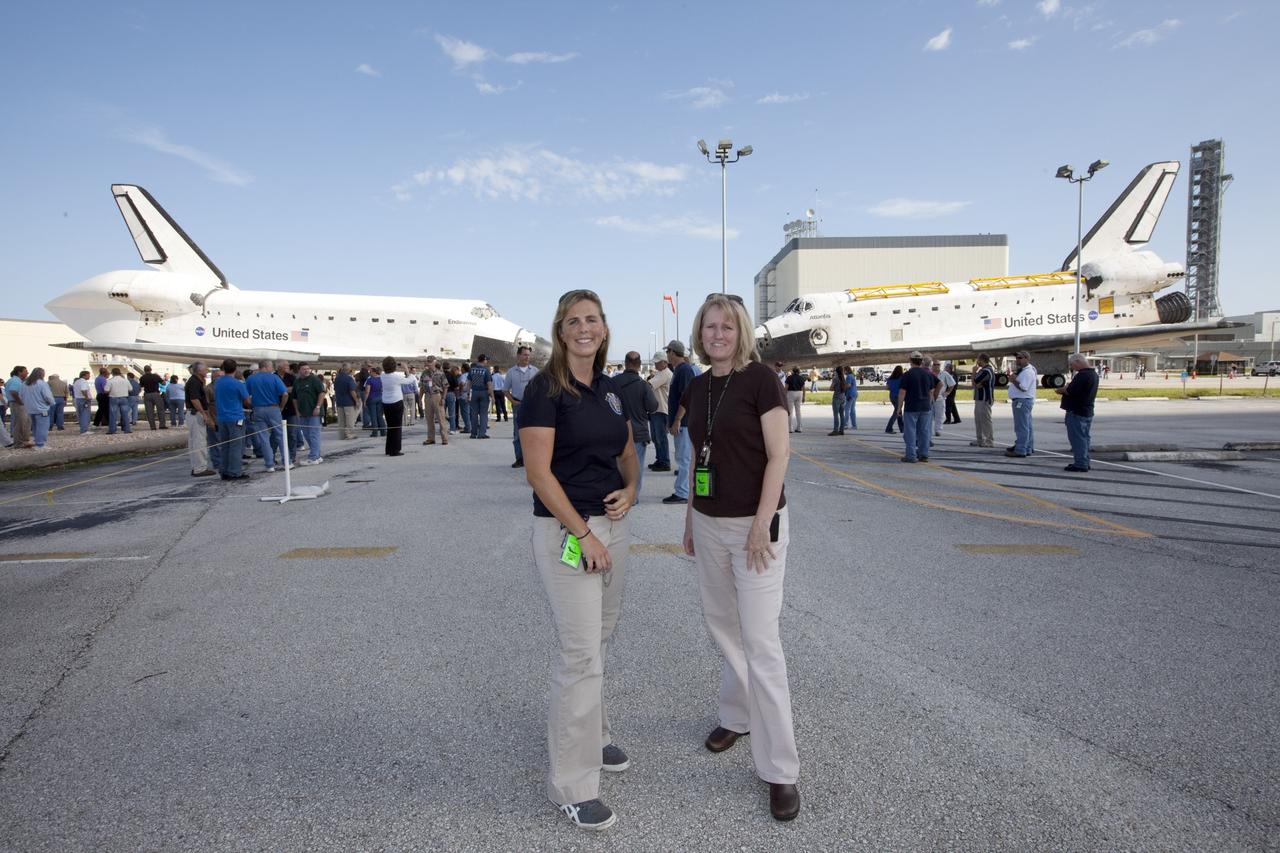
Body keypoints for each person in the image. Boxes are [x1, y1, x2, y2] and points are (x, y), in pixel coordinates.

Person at [678, 293, 800, 822]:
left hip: (756, 526)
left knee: (761, 642)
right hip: (708, 523)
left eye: (727, 327)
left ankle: (780, 770)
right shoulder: (699, 384)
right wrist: (689, 518)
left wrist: (759, 524)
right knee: (724, 626)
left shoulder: (761, 380)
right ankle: (737, 715)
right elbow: (698, 455)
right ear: (699, 333)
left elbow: (780, 454)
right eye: (710, 327)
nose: (718, 335)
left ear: (741, 331)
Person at [519, 289, 638, 832]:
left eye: (592, 319)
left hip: (613, 529)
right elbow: (539, 474)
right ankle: (571, 783)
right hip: (570, 533)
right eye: (573, 321)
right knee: (580, 654)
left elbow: (627, 451)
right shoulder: (546, 391)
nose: (584, 328)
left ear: (604, 328)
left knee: (601, 638)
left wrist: (632, 490)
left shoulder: (611, 391)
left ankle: (597, 733)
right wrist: (585, 532)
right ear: (561, 332)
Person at [614, 351, 658, 500]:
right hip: (638, 432)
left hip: (618, 431)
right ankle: (633, 497)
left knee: (619, 465)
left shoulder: (613, 383)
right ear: (639, 366)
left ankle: (619, 493)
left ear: (625, 363)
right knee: (636, 466)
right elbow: (653, 406)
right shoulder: (643, 385)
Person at [663, 340, 696, 505]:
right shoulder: (679, 370)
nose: (666, 354)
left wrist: (677, 420)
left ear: (673, 352)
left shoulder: (684, 371)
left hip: (684, 423)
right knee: (683, 457)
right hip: (681, 422)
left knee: (684, 459)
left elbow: (686, 398)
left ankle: (682, 492)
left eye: (667, 351)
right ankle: (683, 489)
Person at [1056, 353, 1098, 472]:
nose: (1071, 367)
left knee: (1077, 439)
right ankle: (1084, 460)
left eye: (1072, 364)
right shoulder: (1092, 374)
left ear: (1078, 362)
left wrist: (1062, 390)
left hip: (1077, 412)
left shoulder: (1083, 375)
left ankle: (1080, 463)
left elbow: (1072, 391)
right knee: (1084, 438)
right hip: (1086, 411)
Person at [246, 359, 289, 473]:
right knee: (280, 435)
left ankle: (269, 464)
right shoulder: (274, 377)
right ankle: (287, 462)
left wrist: (252, 406)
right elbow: (285, 394)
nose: (272, 369)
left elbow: (246, 396)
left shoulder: (251, 379)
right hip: (273, 408)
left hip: (258, 409)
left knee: (263, 438)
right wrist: (281, 407)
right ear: (266, 367)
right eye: (271, 366)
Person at [213, 359, 251, 480]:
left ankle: (224, 470)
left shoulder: (218, 382)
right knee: (236, 445)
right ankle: (235, 471)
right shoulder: (238, 384)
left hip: (221, 417)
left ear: (223, 368)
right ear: (235, 369)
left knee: (225, 445)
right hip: (235, 417)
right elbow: (247, 401)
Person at [897, 352, 937, 463]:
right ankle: (924, 454)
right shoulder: (928, 374)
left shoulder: (907, 375)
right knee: (924, 431)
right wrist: (928, 404)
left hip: (911, 407)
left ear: (910, 360)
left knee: (910, 432)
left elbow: (902, 392)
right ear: (921, 361)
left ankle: (911, 455)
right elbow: (931, 391)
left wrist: (899, 408)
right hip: (925, 407)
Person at [505, 347, 537, 465]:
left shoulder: (535, 371)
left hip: (532, 405)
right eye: (524, 355)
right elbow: (505, 390)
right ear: (518, 356)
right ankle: (520, 458)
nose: (527, 357)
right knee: (518, 433)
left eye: (528, 355)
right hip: (518, 405)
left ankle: (532, 459)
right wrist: (513, 401)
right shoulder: (511, 372)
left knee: (533, 432)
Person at [185, 362, 216, 476]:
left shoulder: (196, 381)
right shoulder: (194, 382)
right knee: (199, 442)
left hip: (194, 413)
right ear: (199, 371)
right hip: (195, 413)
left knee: (195, 442)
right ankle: (200, 468)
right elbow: (195, 399)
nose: (207, 371)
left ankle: (196, 466)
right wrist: (204, 413)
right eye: (205, 369)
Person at [293, 362, 327, 465]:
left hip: (314, 412)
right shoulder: (297, 382)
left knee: (313, 434)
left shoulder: (314, 380)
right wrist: (297, 411)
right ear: (299, 370)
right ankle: (317, 455)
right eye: (304, 369)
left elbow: (321, 393)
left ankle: (313, 457)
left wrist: (317, 407)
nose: (306, 370)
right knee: (307, 435)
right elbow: (294, 398)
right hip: (303, 413)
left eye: (308, 368)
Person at [1005, 351, 1037, 458]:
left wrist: (1013, 380)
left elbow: (1023, 387)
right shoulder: (1025, 370)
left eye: (1020, 358)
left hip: (1022, 401)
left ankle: (1021, 449)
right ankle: (1027, 447)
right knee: (1027, 426)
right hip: (1023, 400)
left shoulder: (1028, 372)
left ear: (1027, 358)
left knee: (1021, 427)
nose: (1017, 360)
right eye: (1017, 358)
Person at [20, 368, 56, 450]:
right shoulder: (42, 384)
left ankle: (37, 442)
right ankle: (40, 444)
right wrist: (52, 403)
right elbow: (47, 396)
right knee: (43, 427)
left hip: (30, 409)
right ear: (41, 374)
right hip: (42, 408)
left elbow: (21, 395)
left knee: (36, 426)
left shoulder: (25, 384)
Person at [647, 357, 672, 472]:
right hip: (656, 409)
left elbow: (649, 385)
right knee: (656, 437)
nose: (655, 364)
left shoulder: (665, 373)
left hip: (661, 410)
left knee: (660, 437)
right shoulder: (661, 373)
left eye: (657, 362)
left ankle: (665, 461)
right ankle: (660, 459)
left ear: (664, 362)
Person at [421, 356, 451, 447]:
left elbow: (446, 386)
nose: (429, 363)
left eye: (430, 362)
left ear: (435, 362)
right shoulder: (424, 373)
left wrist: (443, 398)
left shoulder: (440, 373)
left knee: (441, 418)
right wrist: (420, 398)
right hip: (428, 396)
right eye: (428, 361)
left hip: (437, 396)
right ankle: (431, 438)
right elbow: (422, 387)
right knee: (429, 419)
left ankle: (444, 438)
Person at [380, 356, 406, 456]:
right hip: (396, 402)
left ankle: (389, 448)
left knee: (390, 426)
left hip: (386, 402)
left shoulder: (382, 375)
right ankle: (395, 450)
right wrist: (406, 368)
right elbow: (410, 380)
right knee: (397, 427)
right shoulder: (396, 376)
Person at [969, 354, 995, 448]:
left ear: (982, 360)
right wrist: (976, 382)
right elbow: (976, 384)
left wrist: (973, 372)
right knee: (978, 420)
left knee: (985, 420)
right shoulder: (982, 370)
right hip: (979, 398)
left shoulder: (986, 371)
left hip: (985, 399)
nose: (977, 362)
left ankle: (989, 440)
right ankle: (980, 439)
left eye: (978, 360)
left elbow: (974, 382)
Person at [6, 366, 33, 448]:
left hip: (17, 403)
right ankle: (19, 443)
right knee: (20, 423)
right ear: (19, 372)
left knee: (25, 422)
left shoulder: (16, 380)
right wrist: (20, 402)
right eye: (25, 371)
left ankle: (24, 441)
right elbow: (13, 392)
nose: (27, 373)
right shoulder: (15, 381)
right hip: (17, 404)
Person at [333, 364, 361, 439]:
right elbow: (352, 391)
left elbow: (335, 389)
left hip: (339, 401)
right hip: (349, 402)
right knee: (350, 419)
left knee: (341, 420)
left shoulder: (337, 378)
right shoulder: (349, 379)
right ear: (349, 370)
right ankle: (350, 434)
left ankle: (342, 435)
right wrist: (356, 401)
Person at [469, 354, 493, 439]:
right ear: (484, 360)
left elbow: (469, 383)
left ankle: (473, 433)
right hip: (484, 392)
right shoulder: (486, 371)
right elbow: (489, 384)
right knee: (483, 414)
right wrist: (492, 396)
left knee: (474, 414)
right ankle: (482, 433)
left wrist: (468, 394)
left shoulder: (472, 370)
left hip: (474, 392)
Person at [105, 367, 132, 435]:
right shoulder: (125, 380)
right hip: (124, 398)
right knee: (125, 414)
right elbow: (130, 389)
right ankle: (127, 429)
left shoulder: (110, 381)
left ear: (112, 373)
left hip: (113, 398)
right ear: (119, 373)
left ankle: (112, 430)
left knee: (113, 414)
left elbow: (106, 390)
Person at [138, 365, 165, 430]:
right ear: (151, 369)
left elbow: (141, 386)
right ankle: (162, 425)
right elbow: (163, 383)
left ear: (144, 370)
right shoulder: (155, 376)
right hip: (156, 394)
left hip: (147, 394)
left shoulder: (142, 377)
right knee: (160, 410)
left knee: (149, 411)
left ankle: (152, 426)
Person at [364, 367, 385, 438]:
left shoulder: (370, 380)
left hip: (372, 398)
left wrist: (364, 401)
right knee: (380, 415)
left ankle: (375, 432)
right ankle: (383, 431)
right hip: (380, 397)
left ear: (374, 372)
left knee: (373, 416)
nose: (369, 373)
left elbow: (367, 392)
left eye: (370, 372)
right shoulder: (381, 379)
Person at [783, 368, 805, 433]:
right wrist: (804, 397)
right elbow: (803, 388)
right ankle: (799, 428)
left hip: (791, 393)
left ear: (793, 371)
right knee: (798, 411)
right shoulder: (801, 378)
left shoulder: (789, 377)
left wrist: (784, 395)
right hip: (799, 393)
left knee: (790, 411)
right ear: (799, 371)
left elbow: (786, 387)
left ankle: (790, 428)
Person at [884, 365, 905, 434]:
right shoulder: (902, 378)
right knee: (896, 412)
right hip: (898, 397)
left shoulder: (890, 378)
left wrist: (892, 388)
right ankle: (888, 428)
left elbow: (887, 388)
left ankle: (902, 428)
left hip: (892, 397)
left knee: (899, 411)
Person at [72, 370, 94, 434]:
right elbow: (83, 390)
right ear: (84, 375)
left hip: (78, 399)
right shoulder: (83, 382)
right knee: (85, 415)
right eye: (88, 375)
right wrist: (86, 397)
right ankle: (84, 430)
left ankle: (82, 428)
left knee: (81, 415)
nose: (89, 376)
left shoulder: (77, 382)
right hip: (83, 399)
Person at [828, 366, 847, 436]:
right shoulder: (843, 378)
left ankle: (835, 430)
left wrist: (833, 388)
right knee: (842, 414)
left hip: (837, 397)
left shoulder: (835, 378)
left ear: (836, 371)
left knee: (836, 414)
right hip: (843, 397)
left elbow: (831, 388)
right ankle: (841, 430)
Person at [844, 366, 858, 430]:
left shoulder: (849, 376)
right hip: (855, 393)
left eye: (844, 371)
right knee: (852, 410)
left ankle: (845, 424)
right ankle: (854, 425)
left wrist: (843, 387)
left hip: (850, 394)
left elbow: (848, 385)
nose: (844, 372)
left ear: (846, 370)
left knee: (847, 409)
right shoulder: (852, 375)